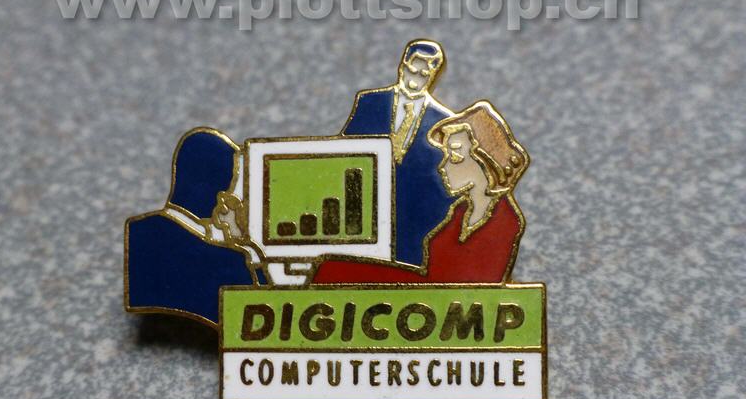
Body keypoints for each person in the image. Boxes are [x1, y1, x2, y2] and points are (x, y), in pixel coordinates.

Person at [313, 100, 529, 284]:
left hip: (443, 304)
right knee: (331, 268)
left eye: (454, 156)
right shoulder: (460, 211)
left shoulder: (506, 221)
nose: (443, 166)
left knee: (333, 273)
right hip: (429, 292)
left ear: (484, 161)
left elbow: (481, 290)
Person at [125, 128, 267, 327]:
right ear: (222, 198)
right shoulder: (230, 263)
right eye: (238, 194)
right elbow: (260, 319)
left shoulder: (137, 232)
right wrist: (257, 265)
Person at [341, 39, 456, 267]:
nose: (417, 78)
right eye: (414, 68)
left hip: (415, 219)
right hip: (363, 211)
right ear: (403, 65)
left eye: (425, 73)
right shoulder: (369, 102)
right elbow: (344, 152)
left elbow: (445, 180)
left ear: (434, 75)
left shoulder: (444, 122)